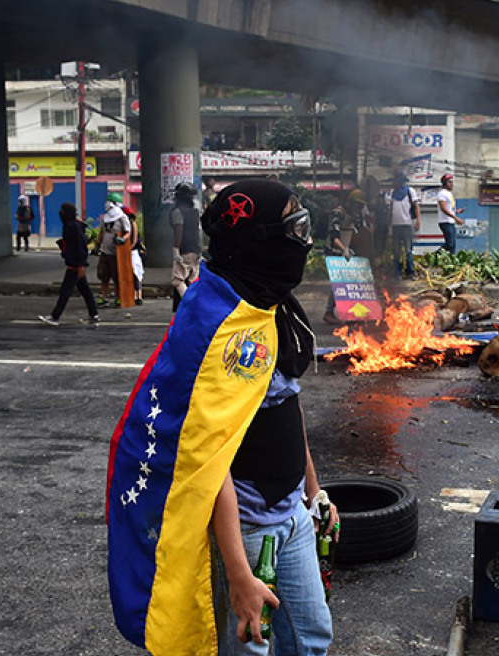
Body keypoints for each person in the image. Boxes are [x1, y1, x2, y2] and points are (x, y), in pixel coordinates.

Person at [106, 179, 337, 656]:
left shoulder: (267, 305)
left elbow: (284, 408)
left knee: (312, 639)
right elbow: (207, 459)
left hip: (291, 512)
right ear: (260, 240)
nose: (304, 239)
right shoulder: (217, 326)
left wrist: (314, 493)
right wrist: (238, 573)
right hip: (248, 529)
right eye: (293, 227)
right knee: (251, 649)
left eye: (303, 225)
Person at [38, 202, 99, 326]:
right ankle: (94, 314)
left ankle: (55, 317)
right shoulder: (71, 225)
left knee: (65, 291)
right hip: (75, 264)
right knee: (85, 290)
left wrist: (81, 264)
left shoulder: (73, 227)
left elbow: (80, 247)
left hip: (75, 265)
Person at [170, 181, 202, 312]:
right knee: (193, 279)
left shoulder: (178, 211)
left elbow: (179, 230)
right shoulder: (195, 211)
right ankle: (197, 303)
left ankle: (190, 305)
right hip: (196, 249)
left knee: (177, 279)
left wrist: (176, 248)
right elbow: (198, 231)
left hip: (185, 249)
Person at [97, 192, 132, 306]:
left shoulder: (122, 218)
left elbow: (128, 232)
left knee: (117, 276)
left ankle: (118, 297)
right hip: (105, 252)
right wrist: (98, 244)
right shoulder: (105, 218)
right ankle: (104, 297)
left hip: (117, 253)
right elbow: (102, 233)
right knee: (103, 275)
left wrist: (123, 239)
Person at [322, 204, 353, 325]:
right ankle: (329, 312)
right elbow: (334, 236)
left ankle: (350, 313)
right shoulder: (338, 214)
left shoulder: (353, 215)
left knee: (346, 283)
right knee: (338, 283)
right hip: (334, 252)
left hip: (344, 252)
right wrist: (344, 249)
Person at [388, 172, 420, 279]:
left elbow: (416, 206)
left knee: (408, 251)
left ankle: (410, 272)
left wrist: (418, 221)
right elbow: (391, 208)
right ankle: (397, 273)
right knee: (396, 251)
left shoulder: (410, 191)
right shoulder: (393, 192)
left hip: (406, 225)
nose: (394, 183)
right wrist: (389, 222)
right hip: (395, 226)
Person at [435, 173, 464, 253]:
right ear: (445, 183)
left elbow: (449, 208)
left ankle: (450, 262)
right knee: (449, 244)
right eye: (449, 182)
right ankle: (434, 256)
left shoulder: (449, 194)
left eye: (452, 182)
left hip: (450, 222)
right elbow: (443, 208)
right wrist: (456, 217)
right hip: (445, 222)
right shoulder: (442, 194)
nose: (452, 184)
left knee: (453, 246)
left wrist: (457, 211)